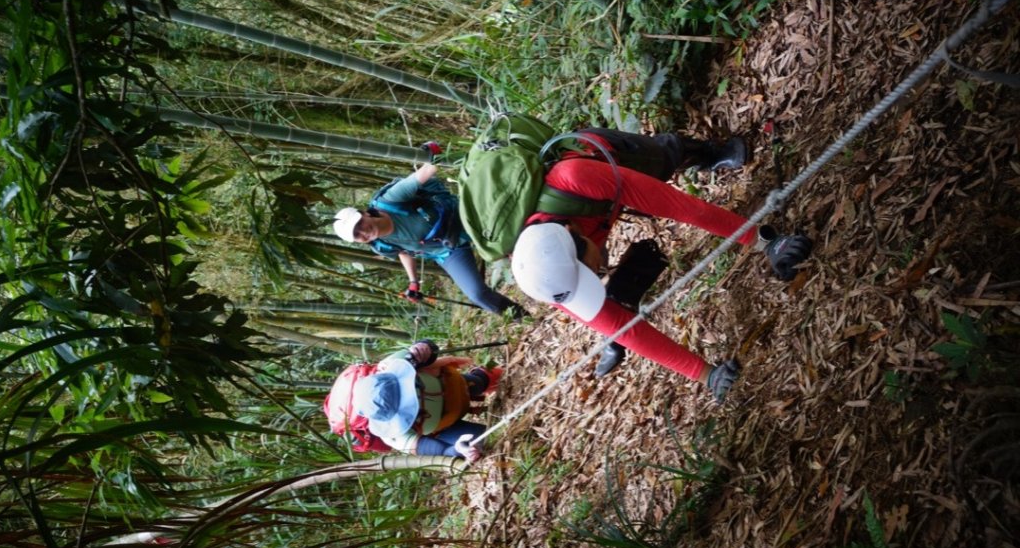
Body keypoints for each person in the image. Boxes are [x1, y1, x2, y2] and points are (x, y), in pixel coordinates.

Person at [510, 128, 813, 401]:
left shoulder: (578, 178)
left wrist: (767, 242)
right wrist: (706, 375)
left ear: (573, 234)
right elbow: (624, 329)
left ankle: (709, 152)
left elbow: (681, 207)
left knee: (663, 159)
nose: (594, 275)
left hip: (602, 157)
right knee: (607, 300)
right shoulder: (547, 277)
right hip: (587, 218)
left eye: (588, 272)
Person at [333, 163, 524, 318]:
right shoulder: (380, 245)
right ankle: (522, 317)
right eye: (357, 235)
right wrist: (413, 282)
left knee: (512, 241)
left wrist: (431, 159)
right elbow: (403, 252)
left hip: (461, 218)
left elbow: (427, 170)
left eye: (360, 224)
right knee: (477, 294)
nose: (363, 232)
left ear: (364, 213)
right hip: (447, 250)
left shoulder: (390, 201)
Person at [350, 340, 501, 462]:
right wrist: (459, 449)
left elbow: (429, 349)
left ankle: (490, 378)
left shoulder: (394, 364)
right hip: (444, 427)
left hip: (453, 385)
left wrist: (423, 348)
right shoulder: (395, 435)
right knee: (481, 439)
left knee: (478, 382)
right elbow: (440, 451)